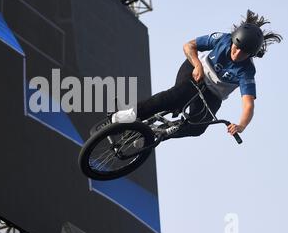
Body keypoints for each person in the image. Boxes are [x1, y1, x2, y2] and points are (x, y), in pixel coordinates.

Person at [111, 10, 283, 139]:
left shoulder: (247, 72)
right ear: (232, 39)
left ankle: (156, 135)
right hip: (195, 72)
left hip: (213, 94)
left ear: (251, 55)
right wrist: (197, 64)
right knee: (174, 97)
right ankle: (124, 116)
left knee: (198, 128)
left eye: (244, 53)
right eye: (236, 47)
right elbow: (188, 46)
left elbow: (248, 105)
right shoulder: (222, 39)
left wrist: (241, 126)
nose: (237, 54)